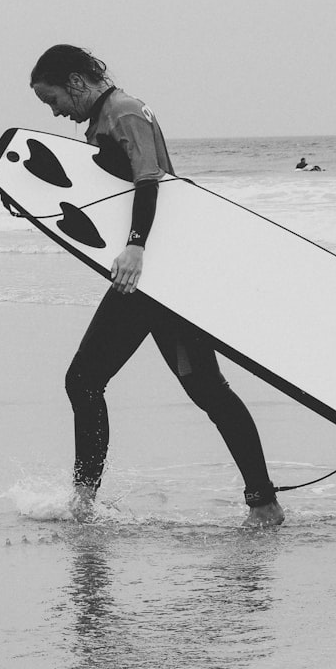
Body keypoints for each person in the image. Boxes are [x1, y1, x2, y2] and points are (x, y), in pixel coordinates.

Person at [29, 44, 284, 527]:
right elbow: (103, 193)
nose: (56, 111)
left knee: (83, 380)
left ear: (76, 82)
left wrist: (136, 245)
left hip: (148, 275)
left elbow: (152, 181)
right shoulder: (111, 116)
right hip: (163, 276)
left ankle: (83, 504)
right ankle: (264, 504)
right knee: (208, 389)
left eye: (54, 99)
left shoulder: (123, 113)